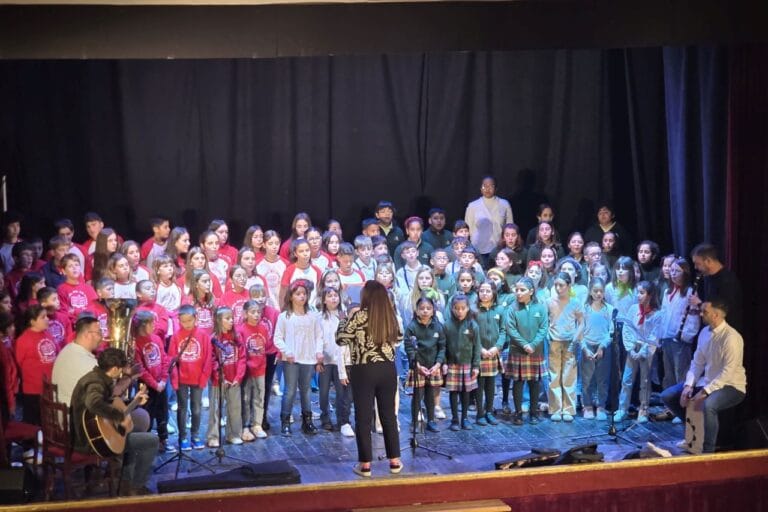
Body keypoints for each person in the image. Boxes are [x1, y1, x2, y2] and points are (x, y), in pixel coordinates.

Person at [660, 299, 746, 453]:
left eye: (704, 311)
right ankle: (692, 435)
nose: (700, 314)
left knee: (709, 405)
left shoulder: (732, 338)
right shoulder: (704, 333)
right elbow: (697, 362)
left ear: (716, 315)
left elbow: (728, 371)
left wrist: (705, 391)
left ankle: (708, 450)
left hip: (731, 386)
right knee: (668, 396)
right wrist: (688, 385)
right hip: (708, 381)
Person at [336, 280, 402, 477]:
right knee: (389, 416)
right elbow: (398, 338)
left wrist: (342, 319)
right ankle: (395, 461)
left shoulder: (359, 316)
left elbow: (341, 338)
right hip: (387, 368)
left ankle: (365, 464)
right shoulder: (391, 317)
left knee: (363, 417)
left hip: (364, 369)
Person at [70, 348, 158, 496]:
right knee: (152, 440)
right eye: (121, 369)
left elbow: (109, 404)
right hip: (89, 442)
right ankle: (136, 486)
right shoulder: (95, 383)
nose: (122, 372)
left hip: (92, 434)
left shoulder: (97, 376)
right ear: (115, 369)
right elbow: (94, 404)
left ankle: (126, 483)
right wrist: (119, 417)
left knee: (132, 432)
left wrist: (135, 401)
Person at [274, 279, 323, 436]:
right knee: (289, 391)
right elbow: (278, 338)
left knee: (306, 390)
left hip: (308, 358)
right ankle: (286, 421)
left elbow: (319, 336)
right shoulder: (284, 317)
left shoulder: (313, 316)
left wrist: (318, 352)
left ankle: (307, 421)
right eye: (298, 294)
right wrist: (287, 351)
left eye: (304, 294)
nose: (302, 297)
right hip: (292, 360)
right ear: (291, 296)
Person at [615, 281, 661, 423]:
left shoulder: (656, 314)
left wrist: (642, 350)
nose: (638, 295)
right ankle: (622, 408)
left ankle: (643, 409)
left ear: (650, 295)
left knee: (645, 381)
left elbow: (654, 334)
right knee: (627, 379)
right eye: (637, 292)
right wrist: (630, 348)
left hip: (646, 350)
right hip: (633, 348)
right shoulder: (633, 309)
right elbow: (627, 329)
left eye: (641, 293)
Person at [505, 277, 548, 426]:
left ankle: (533, 413)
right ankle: (517, 413)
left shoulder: (540, 307)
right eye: (517, 290)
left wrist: (534, 344)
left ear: (531, 291)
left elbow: (543, 328)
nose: (519, 293)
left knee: (534, 382)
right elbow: (511, 329)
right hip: (518, 351)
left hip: (535, 351)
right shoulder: (512, 308)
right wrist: (524, 345)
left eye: (522, 290)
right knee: (518, 382)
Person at [168, 304, 212, 451]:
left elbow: (207, 359)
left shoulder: (203, 336)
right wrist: (174, 381)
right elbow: (172, 360)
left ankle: (195, 435)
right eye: (183, 321)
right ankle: (183, 437)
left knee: (197, 409)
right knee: (182, 409)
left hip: (198, 379)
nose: (186, 324)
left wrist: (203, 378)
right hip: (181, 380)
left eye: (189, 320)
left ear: (195, 318)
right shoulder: (175, 336)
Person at [132, 310, 174, 453]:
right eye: (152, 323)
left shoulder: (156, 338)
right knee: (147, 413)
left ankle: (163, 439)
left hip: (160, 383)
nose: (155, 325)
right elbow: (141, 369)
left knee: (163, 412)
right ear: (143, 325)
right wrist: (155, 384)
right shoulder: (136, 343)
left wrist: (162, 380)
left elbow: (164, 359)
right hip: (147, 386)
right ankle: (146, 443)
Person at [575, 278, 615, 421]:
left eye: (601, 291)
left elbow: (611, 331)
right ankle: (587, 406)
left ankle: (601, 406)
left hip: (603, 347)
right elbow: (579, 330)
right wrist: (584, 347)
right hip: (587, 346)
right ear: (590, 291)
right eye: (595, 291)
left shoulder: (609, 310)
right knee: (587, 379)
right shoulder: (584, 309)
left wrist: (602, 346)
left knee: (602, 379)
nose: (598, 294)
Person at [404, 296, 445, 433]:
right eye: (422, 309)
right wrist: (417, 365)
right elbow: (409, 347)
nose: (425, 311)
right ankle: (414, 422)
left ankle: (431, 420)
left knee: (430, 394)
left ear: (433, 311)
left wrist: (438, 364)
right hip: (418, 367)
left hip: (433, 367)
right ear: (417, 310)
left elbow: (442, 347)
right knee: (417, 395)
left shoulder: (438, 327)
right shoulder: (412, 327)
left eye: (428, 308)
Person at [206, 307, 245, 447]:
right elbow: (212, 360)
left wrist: (237, 377)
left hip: (234, 378)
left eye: (232, 318)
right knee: (215, 408)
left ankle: (233, 434)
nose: (231, 321)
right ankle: (213, 436)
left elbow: (242, 357)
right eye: (227, 318)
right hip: (219, 381)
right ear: (218, 320)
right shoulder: (214, 339)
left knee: (235, 408)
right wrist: (221, 377)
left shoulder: (237, 337)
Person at [317, 287, 353, 435]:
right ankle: (325, 418)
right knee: (324, 392)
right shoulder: (320, 317)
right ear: (324, 300)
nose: (333, 298)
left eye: (335, 295)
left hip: (340, 361)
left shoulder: (344, 315)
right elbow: (318, 337)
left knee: (341, 393)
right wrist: (318, 358)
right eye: (329, 296)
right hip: (325, 359)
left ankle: (342, 420)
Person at [547, 272, 582, 422]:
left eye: (561, 285)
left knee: (569, 376)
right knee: (554, 376)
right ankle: (556, 408)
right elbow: (545, 320)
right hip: (554, 341)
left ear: (569, 286)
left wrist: (575, 339)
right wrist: (548, 334)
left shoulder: (575, 302)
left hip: (569, 342)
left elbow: (581, 322)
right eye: (556, 285)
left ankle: (568, 409)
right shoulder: (549, 301)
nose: (558, 288)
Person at [14, 305, 57, 425]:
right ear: (32, 321)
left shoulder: (47, 334)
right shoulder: (23, 340)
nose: (47, 319)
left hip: (50, 387)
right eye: (43, 317)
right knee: (34, 423)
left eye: (47, 316)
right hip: (34, 390)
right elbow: (18, 363)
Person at [690, 243, 743, 332]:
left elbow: (722, 311)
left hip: (725, 333)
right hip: (713, 329)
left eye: (698, 264)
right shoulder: (709, 277)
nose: (695, 267)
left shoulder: (727, 280)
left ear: (708, 261)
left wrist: (699, 304)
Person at [237, 300, 270, 440]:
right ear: (245, 314)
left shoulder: (263, 328)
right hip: (246, 371)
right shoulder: (240, 330)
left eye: (258, 312)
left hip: (260, 369)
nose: (256, 315)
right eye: (252, 312)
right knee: (245, 398)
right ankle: (245, 425)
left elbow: (266, 346)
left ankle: (257, 424)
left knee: (259, 397)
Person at [464, 176, 514, 265]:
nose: (487, 189)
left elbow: (510, 227)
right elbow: (468, 228)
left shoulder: (504, 204)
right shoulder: (472, 206)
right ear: (480, 188)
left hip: (499, 249)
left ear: (496, 189)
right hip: (479, 250)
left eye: (491, 186)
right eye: (484, 186)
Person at [475, 281, 505, 426]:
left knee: (491, 384)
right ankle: (479, 413)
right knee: (479, 385)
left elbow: (503, 331)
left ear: (493, 292)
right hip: (479, 353)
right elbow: (471, 332)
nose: (484, 293)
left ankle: (489, 411)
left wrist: (497, 348)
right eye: (482, 291)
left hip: (493, 353)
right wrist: (480, 348)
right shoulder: (474, 310)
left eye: (488, 291)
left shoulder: (499, 310)